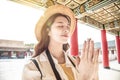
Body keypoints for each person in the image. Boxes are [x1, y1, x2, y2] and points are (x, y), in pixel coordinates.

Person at [22, 4, 99, 80]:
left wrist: (94, 74)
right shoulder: (32, 67)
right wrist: (84, 78)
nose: (67, 29)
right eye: (60, 26)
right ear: (48, 31)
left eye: (68, 26)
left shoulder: (75, 62)